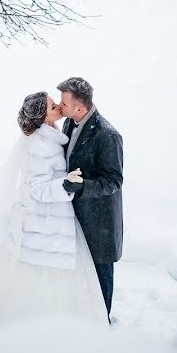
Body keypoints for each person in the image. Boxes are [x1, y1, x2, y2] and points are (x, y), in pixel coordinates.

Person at [0, 92, 107, 330]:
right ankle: (29, 324)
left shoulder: (50, 137)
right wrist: (65, 185)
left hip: (52, 221)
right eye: (51, 106)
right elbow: (38, 189)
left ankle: (47, 324)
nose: (57, 106)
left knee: (47, 274)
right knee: (40, 274)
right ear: (42, 116)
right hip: (43, 225)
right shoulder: (39, 145)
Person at [57, 77, 123, 320]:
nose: (59, 107)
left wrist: (83, 186)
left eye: (64, 103)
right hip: (75, 217)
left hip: (100, 223)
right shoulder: (68, 123)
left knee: (100, 273)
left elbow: (114, 181)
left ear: (80, 108)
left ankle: (103, 323)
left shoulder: (108, 135)